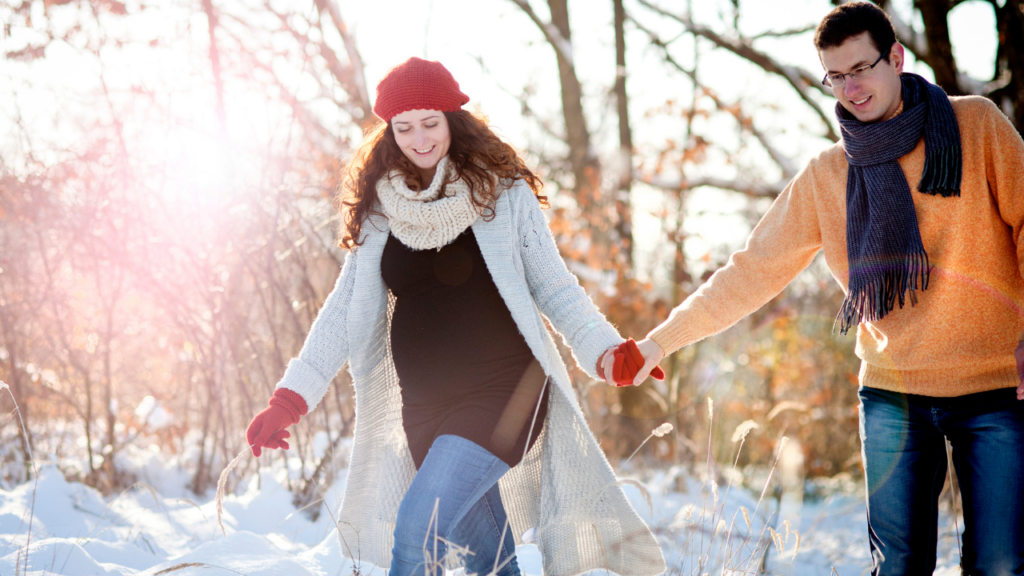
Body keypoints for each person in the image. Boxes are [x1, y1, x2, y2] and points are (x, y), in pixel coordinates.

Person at [626, 3, 1024, 574]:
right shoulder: (827, 175)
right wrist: (658, 342)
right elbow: (751, 270)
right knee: (897, 567)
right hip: (894, 394)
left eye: (861, 69)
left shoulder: (975, 126)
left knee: (1002, 564)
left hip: (995, 386)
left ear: (897, 57)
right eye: (835, 76)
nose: (850, 89)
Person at [244, 57, 666, 576]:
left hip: (504, 396)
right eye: (404, 127)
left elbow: (554, 286)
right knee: (489, 561)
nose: (419, 138)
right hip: (426, 408)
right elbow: (340, 312)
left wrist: (606, 350)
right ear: (388, 131)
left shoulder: (501, 193)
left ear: (452, 118)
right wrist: (288, 401)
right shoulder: (380, 211)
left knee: (417, 530)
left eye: (430, 122)